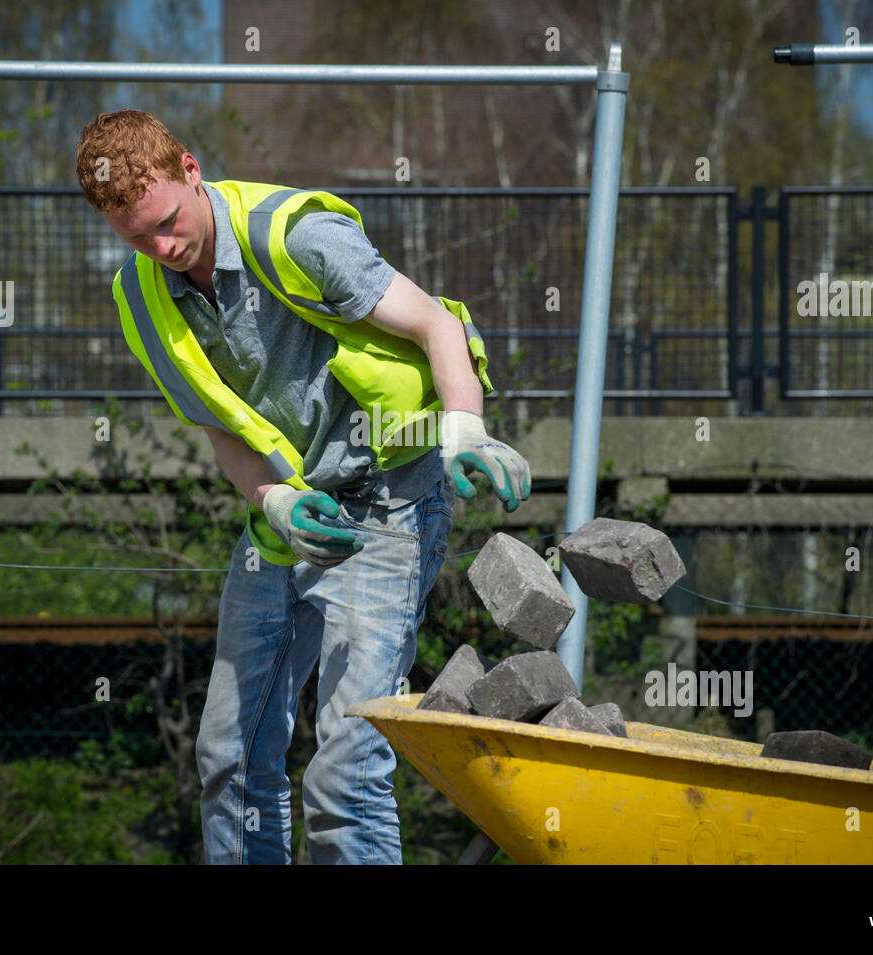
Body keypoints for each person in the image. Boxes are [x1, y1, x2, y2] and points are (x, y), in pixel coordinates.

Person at [75, 108, 531, 864]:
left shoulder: (294, 235)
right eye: (136, 238)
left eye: (167, 222)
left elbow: (434, 327)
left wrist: (464, 429)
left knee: (345, 773)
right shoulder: (142, 298)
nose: (162, 247)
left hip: (386, 503)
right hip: (288, 518)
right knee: (228, 756)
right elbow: (223, 428)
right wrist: (276, 502)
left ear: (191, 170)